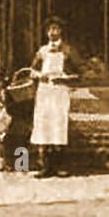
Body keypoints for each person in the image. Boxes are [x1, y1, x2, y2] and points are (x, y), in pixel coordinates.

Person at [30, 16, 81, 178]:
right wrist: (39, 76)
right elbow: (31, 71)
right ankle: (44, 166)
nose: (53, 32)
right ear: (46, 32)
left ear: (61, 31)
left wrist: (64, 78)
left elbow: (79, 74)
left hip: (60, 91)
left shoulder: (68, 51)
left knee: (58, 126)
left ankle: (60, 166)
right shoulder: (42, 51)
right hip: (45, 91)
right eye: (50, 29)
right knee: (44, 125)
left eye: (56, 29)